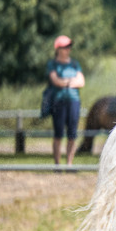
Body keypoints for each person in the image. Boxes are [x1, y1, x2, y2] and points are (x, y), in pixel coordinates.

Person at [47, 35, 85, 166]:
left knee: (72, 134)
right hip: (59, 102)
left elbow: (81, 82)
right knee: (58, 134)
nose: (68, 49)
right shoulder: (53, 64)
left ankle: (69, 163)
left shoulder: (75, 64)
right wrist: (71, 81)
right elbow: (56, 81)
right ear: (58, 49)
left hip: (74, 101)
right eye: (65, 47)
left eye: (69, 47)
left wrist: (65, 82)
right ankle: (57, 164)